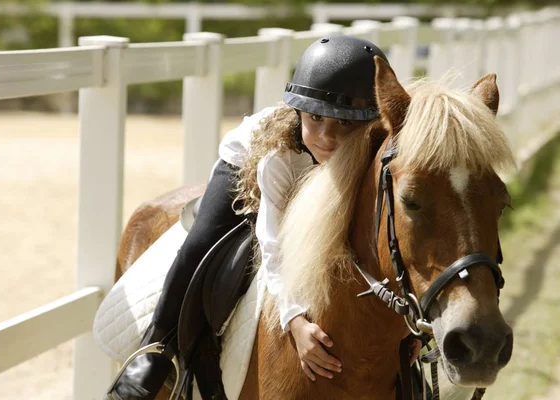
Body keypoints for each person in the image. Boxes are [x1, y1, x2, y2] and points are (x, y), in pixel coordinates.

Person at [106, 35, 389, 400]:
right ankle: (154, 354)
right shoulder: (279, 158)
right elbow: (272, 246)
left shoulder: (373, 152)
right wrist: (294, 321)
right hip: (245, 165)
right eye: (315, 117)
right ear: (299, 111)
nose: (327, 137)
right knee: (198, 245)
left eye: (346, 124)